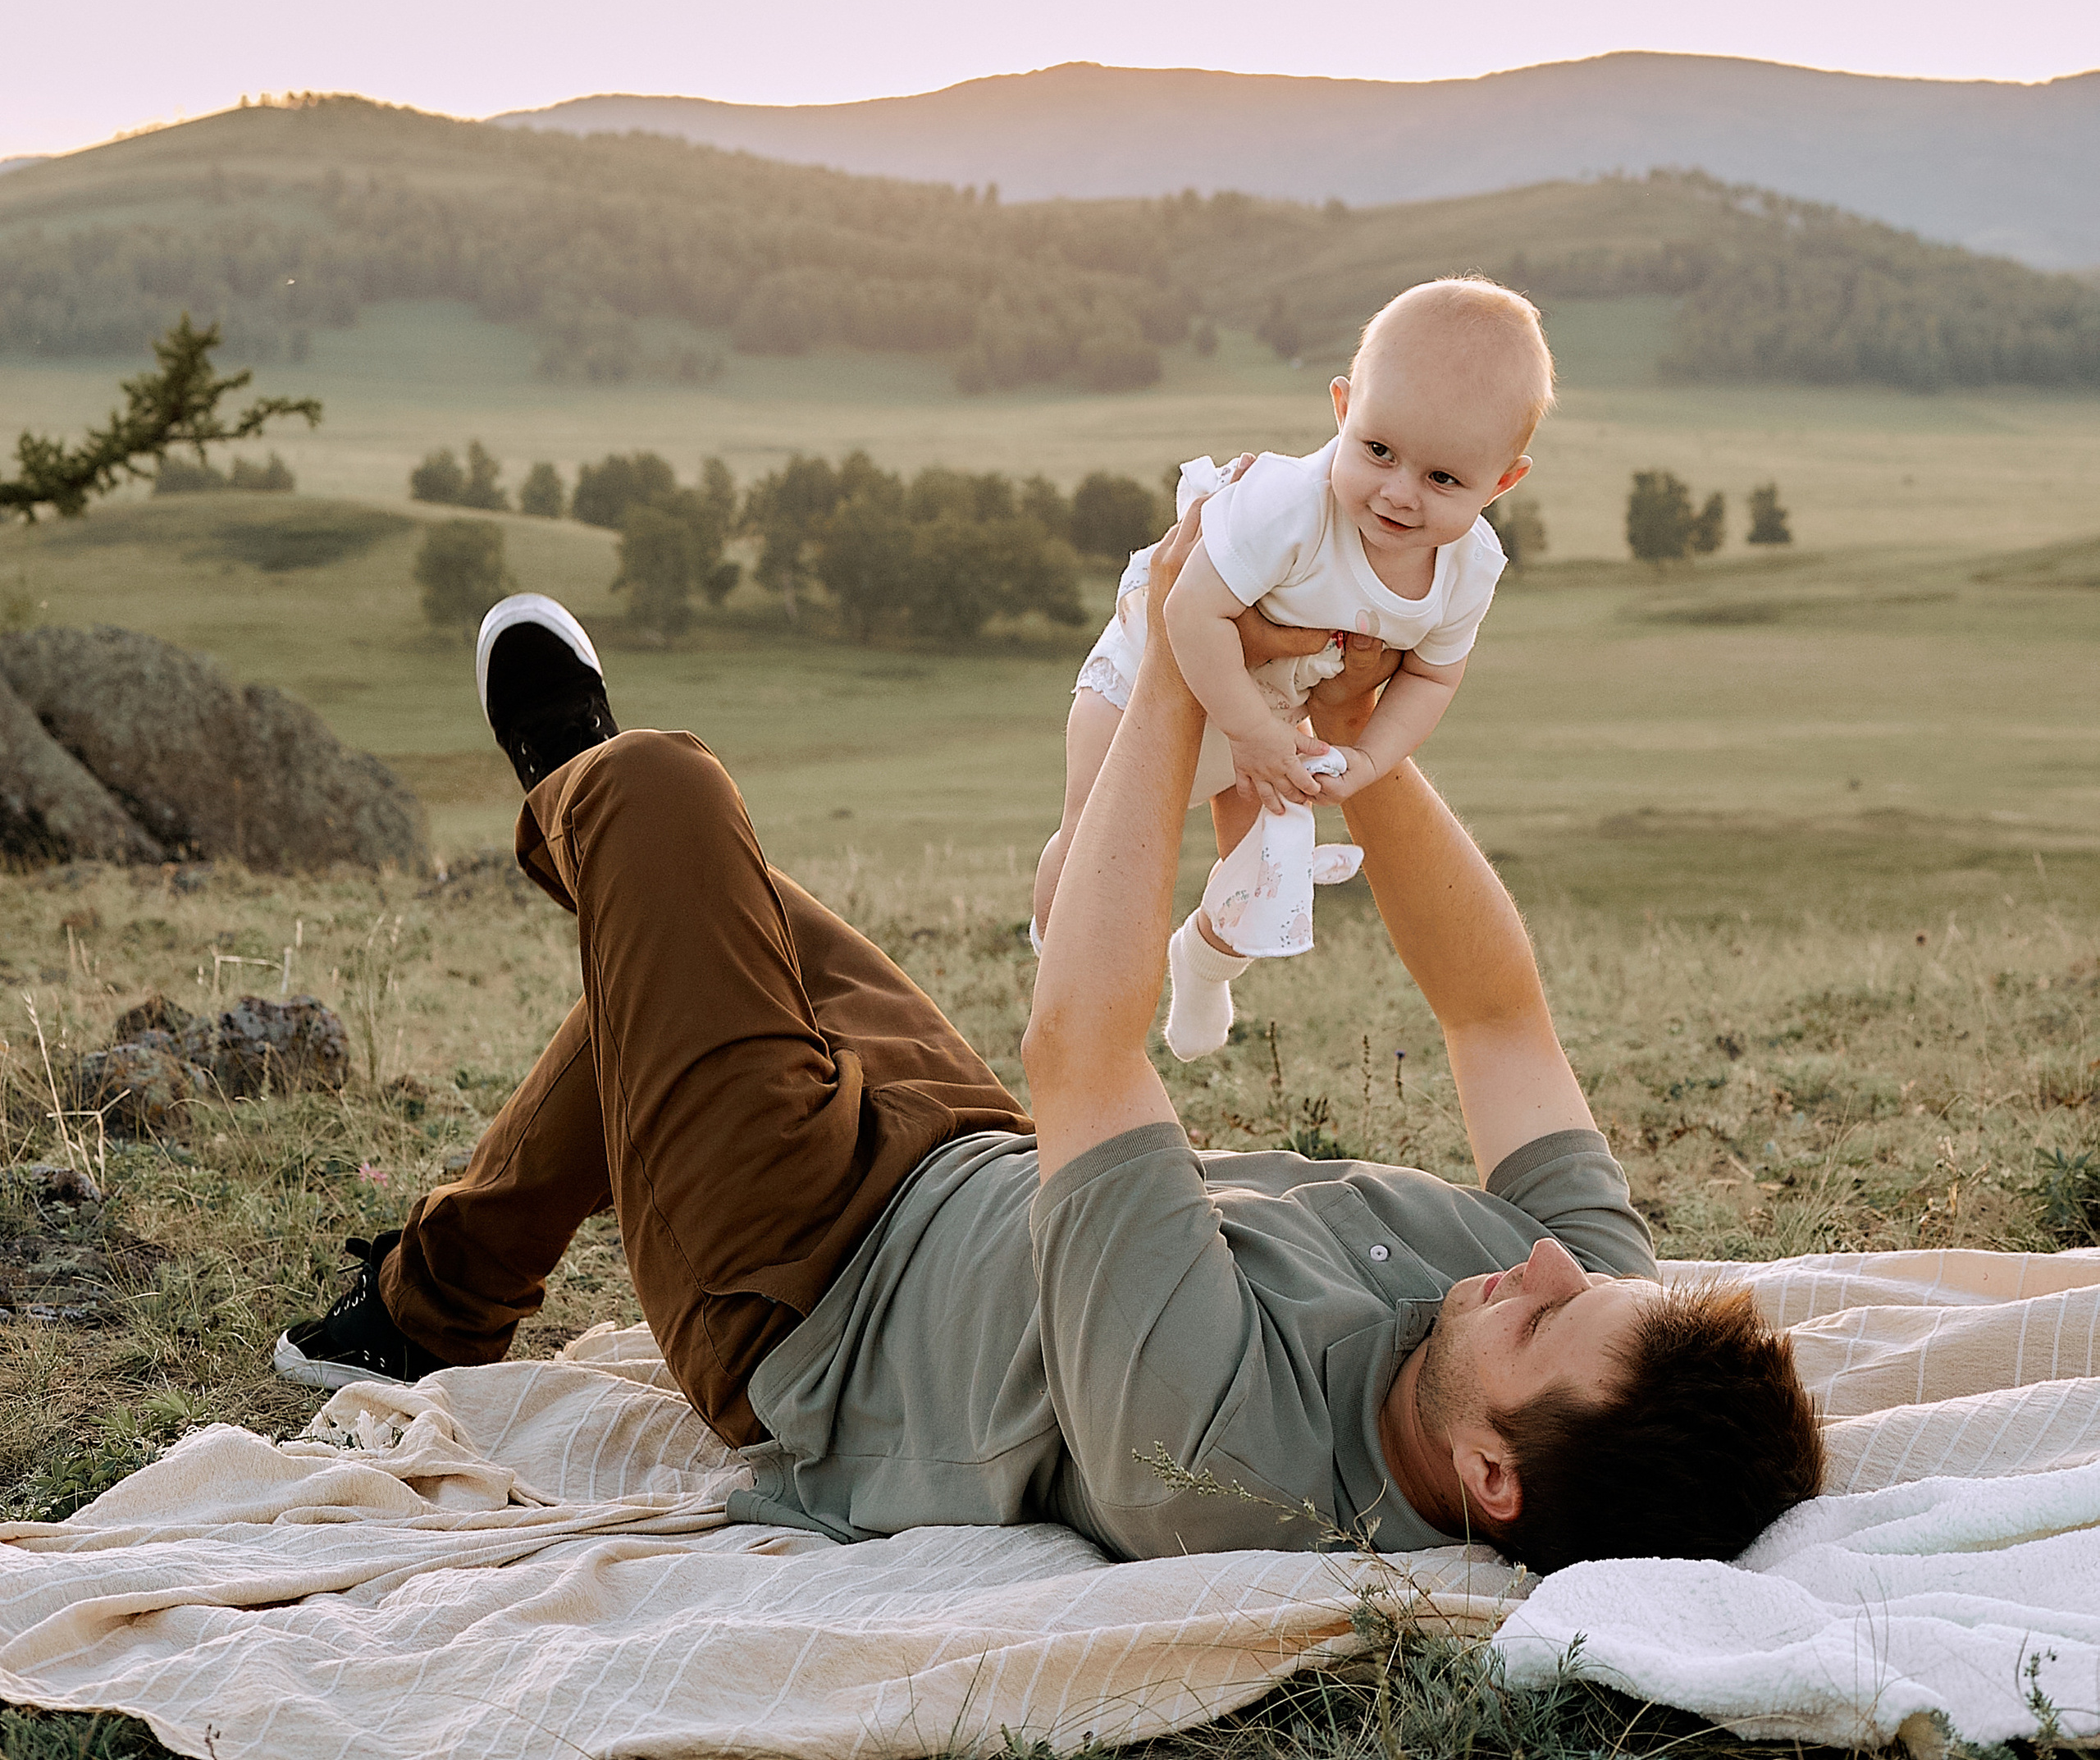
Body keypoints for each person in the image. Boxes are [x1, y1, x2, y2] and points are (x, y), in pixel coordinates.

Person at [277, 533, 1823, 1572]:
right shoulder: (1590, 1303)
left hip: (799, 1283)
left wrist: (1178, 658)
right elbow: (1499, 1011)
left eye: (1547, 1321)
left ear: (1496, 1478)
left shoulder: (1220, 1461)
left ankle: (573, 778)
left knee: (668, 806)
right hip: (970, 1153)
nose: (1543, 1263)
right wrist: (1346, 725)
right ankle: (424, 1307)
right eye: (1584, 1274)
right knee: (686, 946)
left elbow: (1087, 1046)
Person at [1036, 278, 1550, 1063]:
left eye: (1443, 479)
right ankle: (1057, 983)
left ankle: (1203, 962)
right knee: (1095, 845)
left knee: (1271, 873)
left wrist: (1369, 759)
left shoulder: (1468, 567)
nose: (1399, 494)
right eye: (1378, 450)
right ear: (1344, 409)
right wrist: (1244, 731)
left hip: (1277, 716)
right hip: (1151, 681)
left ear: (1503, 481)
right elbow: (1189, 612)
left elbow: (1432, 678)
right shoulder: (1289, 505)